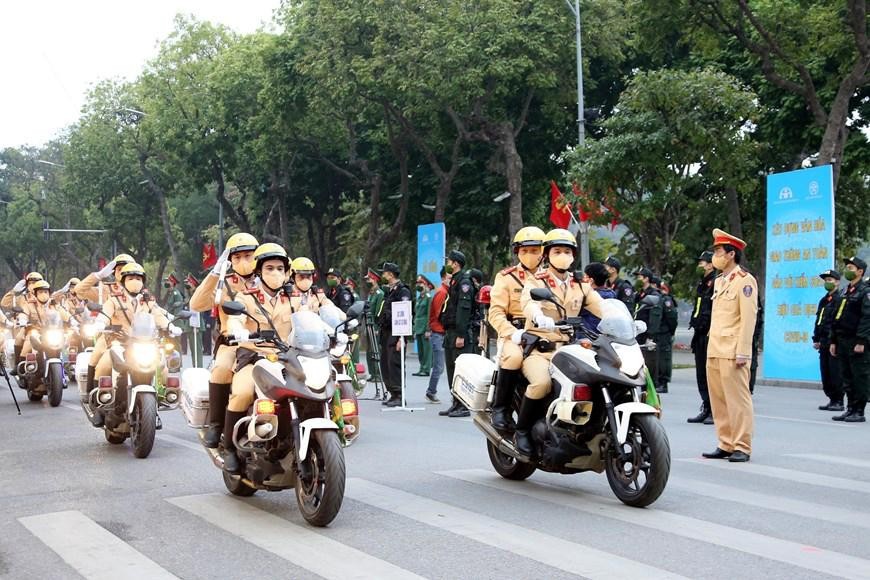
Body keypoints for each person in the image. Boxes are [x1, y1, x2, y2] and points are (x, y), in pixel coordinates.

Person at [516, 228, 603, 455]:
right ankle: (522, 431)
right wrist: (539, 317)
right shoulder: (536, 280)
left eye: (567, 251)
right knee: (542, 383)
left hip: (570, 349)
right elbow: (528, 303)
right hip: (541, 349)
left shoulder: (580, 283)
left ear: (574, 255)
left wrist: (627, 322)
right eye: (557, 251)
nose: (563, 255)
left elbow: (601, 307)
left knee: (596, 379)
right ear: (547, 255)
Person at [221, 243, 292, 472]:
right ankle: (229, 448)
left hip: (287, 359)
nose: (275, 273)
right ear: (259, 271)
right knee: (242, 392)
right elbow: (235, 318)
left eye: (280, 268)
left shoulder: (292, 299)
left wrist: (332, 330)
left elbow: (311, 318)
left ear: (287, 272)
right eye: (269, 268)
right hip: (254, 356)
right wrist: (237, 330)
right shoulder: (247, 297)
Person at [189, 233, 260, 448]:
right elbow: (197, 304)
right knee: (221, 369)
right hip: (233, 343)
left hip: (268, 344)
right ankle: (216, 425)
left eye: (248, 256)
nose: (243, 261)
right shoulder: (224, 284)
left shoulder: (269, 279)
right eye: (237, 258)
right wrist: (214, 273)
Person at [90, 263, 180, 425]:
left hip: (144, 343)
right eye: (131, 278)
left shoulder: (147, 301)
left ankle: (157, 403)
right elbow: (105, 314)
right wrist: (100, 323)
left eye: (138, 278)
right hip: (120, 343)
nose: (135, 281)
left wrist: (170, 326)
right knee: (104, 365)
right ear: (123, 281)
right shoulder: (114, 300)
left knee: (163, 367)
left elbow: (158, 315)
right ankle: (100, 406)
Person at [702, 229, 757, 463]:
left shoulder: (745, 281)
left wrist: (743, 351)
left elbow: (748, 318)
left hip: (733, 351)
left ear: (731, 254)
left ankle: (742, 445)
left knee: (738, 401)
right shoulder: (720, 281)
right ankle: (725, 442)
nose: (715, 256)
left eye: (718, 251)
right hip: (715, 348)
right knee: (719, 400)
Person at [487, 227, 546, 430]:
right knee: (513, 357)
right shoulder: (506, 277)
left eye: (534, 250)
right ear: (517, 253)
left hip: (546, 334)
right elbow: (495, 313)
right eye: (524, 251)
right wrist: (513, 333)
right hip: (516, 334)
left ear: (543, 253)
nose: (529, 255)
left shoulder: (551, 277)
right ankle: (500, 408)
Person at [73, 254, 135, 394]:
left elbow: (153, 311)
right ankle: (92, 393)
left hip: (135, 338)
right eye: (119, 269)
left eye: (126, 268)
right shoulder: (106, 290)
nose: (123, 272)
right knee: (95, 359)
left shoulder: (140, 292)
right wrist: (98, 275)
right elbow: (79, 291)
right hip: (110, 336)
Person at [830, 256, 869, 422]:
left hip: (856, 341)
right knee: (846, 376)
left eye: (851, 268)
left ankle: (859, 410)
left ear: (860, 271)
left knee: (858, 376)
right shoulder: (845, 291)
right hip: (842, 339)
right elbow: (836, 317)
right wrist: (833, 340)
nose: (847, 270)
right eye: (847, 267)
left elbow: (867, 318)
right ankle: (850, 408)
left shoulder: (865, 291)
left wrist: (861, 341)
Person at [439, 250, 475, 418]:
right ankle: (455, 402)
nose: (447, 264)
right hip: (450, 331)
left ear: (456, 264)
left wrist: (461, 334)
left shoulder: (464, 282)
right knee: (451, 369)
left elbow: (463, 310)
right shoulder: (454, 281)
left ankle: (463, 405)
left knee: (461, 370)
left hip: (459, 333)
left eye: (449, 261)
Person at [377, 262, 412, 407]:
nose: (382, 276)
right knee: (386, 364)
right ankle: (392, 393)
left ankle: (399, 395)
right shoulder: (389, 291)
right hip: (386, 332)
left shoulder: (403, 291)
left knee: (395, 363)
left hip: (396, 333)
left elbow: (406, 315)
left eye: (384, 273)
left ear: (390, 275)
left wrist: (401, 339)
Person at [688, 251, 716, 424]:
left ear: (711, 265)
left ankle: (714, 410)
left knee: (710, 374)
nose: (699, 265)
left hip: (709, 333)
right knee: (701, 373)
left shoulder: (716, 282)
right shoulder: (702, 283)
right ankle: (706, 406)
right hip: (699, 332)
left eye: (702, 263)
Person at [813, 269, 844, 412]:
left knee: (835, 372)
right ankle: (832, 399)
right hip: (823, 341)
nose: (827, 282)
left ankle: (839, 401)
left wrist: (834, 340)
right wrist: (816, 338)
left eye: (830, 280)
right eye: (825, 280)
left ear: (837, 282)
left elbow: (837, 322)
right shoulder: (824, 300)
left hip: (833, 341)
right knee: (825, 372)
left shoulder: (840, 299)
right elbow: (819, 321)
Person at [633, 267, 663, 389]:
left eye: (640, 277)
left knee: (649, 367)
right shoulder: (638, 294)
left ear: (646, 279)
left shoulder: (653, 295)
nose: (638, 279)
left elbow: (655, 317)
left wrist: (651, 336)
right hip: (637, 333)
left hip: (646, 335)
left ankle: (650, 392)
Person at [425, 267, 450, 403]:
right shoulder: (442, 293)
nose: (451, 280)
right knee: (439, 367)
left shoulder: (445, 291)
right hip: (438, 333)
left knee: (440, 366)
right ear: (443, 278)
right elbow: (440, 315)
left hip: (440, 333)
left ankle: (431, 391)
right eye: (449, 277)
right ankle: (431, 392)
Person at [654, 276, 678, 393]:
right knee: (657, 358)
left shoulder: (666, 300)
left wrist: (671, 332)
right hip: (658, 333)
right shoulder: (656, 298)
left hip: (664, 333)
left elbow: (672, 318)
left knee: (664, 358)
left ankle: (663, 383)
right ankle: (657, 381)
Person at [580, 262, 616, 330]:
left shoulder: (589, 298)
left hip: (588, 334)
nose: (583, 279)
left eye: (585, 276)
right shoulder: (612, 294)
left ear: (591, 280)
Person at [364, 267, 385, 384]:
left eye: (369, 279)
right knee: (369, 350)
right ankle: (372, 373)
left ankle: (378, 374)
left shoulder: (379, 294)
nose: (367, 282)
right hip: (368, 324)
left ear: (375, 280)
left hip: (374, 326)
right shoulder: (371, 294)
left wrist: (377, 327)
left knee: (376, 350)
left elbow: (378, 312)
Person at [412, 275, 433, 377]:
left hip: (425, 327)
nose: (418, 285)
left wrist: (428, 329)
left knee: (426, 350)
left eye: (420, 283)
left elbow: (429, 314)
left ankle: (426, 369)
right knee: (420, 350)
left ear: (426, 285)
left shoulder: (429, 298)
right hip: (418, 327)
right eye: (417, 283)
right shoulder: (419, 298)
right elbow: (416, 315)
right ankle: (421, 368)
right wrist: (414, 329)